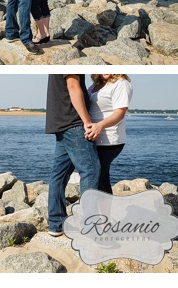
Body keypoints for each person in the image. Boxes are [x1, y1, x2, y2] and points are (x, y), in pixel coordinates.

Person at [45, 74, 99, 236]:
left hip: (61, 123)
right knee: (91, 170)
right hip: (74, 122)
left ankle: (56, 223)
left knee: (59, 174)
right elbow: (73, 87)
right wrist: (87, 121)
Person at [85, 74, 133, 194]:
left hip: (110, 140)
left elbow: (119, 113)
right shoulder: (96, 84)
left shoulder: (121, 83)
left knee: (96, 177)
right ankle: (107, 212)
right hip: (94, 138)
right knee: (102, 178)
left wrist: (100, 125)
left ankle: (102, 212)